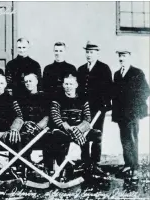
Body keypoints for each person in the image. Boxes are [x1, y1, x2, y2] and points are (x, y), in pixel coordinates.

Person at [50, 73, 108, 181]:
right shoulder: (57, 99)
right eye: (66, 84)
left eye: (71, 84)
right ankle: (66, 167)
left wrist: (79, 129)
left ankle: (93, 165)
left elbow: (87, 119)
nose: (68, 86)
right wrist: (69, 129)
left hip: (79, 130)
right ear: (63, 85)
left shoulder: (83, 99)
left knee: (97, 134)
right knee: (56, 138)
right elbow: (55, 117)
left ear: (76, 85)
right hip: (63, 130)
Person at [112, 50, 150, 181]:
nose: (121, 58)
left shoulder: (137, 73)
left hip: (133, 113)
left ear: (129, 57)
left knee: (132, 139)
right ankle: (128, 164)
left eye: (124, 56)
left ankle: (135, 168)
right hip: (121, 114)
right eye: (120, 56)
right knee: (125, 139)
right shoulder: (117, 74)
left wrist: (134, 106)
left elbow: (145, 91)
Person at [77, 41, 113, 167]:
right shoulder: (81, 69)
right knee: (84, 133)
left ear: (97, 54)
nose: (89, 55)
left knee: (97, 134)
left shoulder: (104, 68)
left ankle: (95, 161)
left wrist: (105, 105)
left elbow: (109, 88)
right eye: (87, 52)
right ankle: (85, 160)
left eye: (91, 52)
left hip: (98, 108)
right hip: (84, 109)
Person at [17, 73, 51, 175]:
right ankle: (25, 168)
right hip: (26, 128)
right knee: (20, 138)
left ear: (36, 82)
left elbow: (47, 116)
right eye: (26, 82)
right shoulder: (21, 98)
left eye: (30, 81)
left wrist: (38, 127)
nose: (28, 83)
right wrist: (25, 124)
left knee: (50, 139)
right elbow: (19, 115)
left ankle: (48, 168)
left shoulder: (45, 97)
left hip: (41, 129)